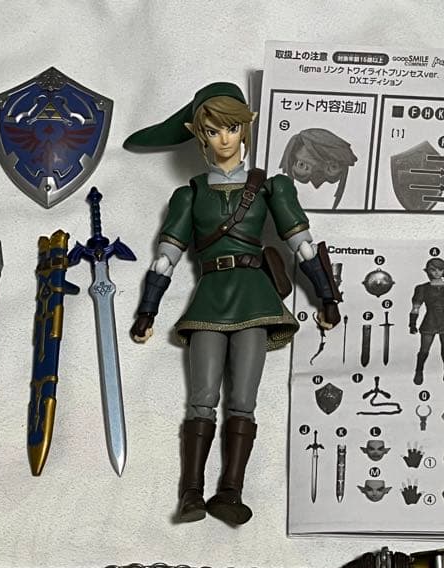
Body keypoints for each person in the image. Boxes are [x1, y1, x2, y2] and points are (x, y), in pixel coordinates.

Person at [125, 82, 341, 526]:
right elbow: (166, 257)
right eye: (212, 130)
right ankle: (190, 493)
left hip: (255, 299)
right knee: (202, 399)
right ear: (199, 135)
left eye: (232, 128)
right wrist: (147, 309)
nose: (224, 138)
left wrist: (327, 296)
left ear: (246, 128)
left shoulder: (271, 188)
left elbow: (303, 246)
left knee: (243, 401)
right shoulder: (190, 194)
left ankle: (231, 492)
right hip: (209, 298)